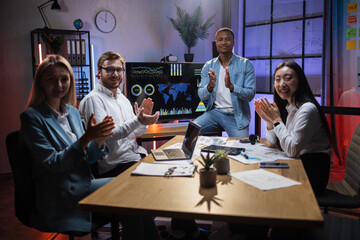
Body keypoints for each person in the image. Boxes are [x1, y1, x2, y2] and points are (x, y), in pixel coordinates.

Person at [20, 55, 159, 239]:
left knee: (133, 190)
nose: (59, 85)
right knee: (129, 190)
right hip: (60, 191)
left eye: (64, 79)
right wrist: (87, 139)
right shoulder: (32, 117)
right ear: (40, 83)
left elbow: (88, 158)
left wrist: (99, 140)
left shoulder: (72, 112)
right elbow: (54, 164)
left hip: (85, 182)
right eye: (51, 79)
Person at [254, 60, 333, 196]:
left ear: (300, 81)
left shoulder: (307, 109)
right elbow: (273, 143)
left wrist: (277, 120)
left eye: (288, 78)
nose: (282, 84)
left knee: (261, 187)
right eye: (277, 80)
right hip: (299, 164)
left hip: (312, 172)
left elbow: (291, 149)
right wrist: (269, 121)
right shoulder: (289, 107)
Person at [79, 51, 159, 178]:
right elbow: (107, 135)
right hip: (115, 167)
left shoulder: (122, 99)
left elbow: (137, 132)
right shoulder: (93, 99)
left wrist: (143, 122)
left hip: (135, 158)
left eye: (119, 70)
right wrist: (137, 121)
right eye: (110, 70)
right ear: (99, 72)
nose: (115, 74)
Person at [194, 27, 255, 137]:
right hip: (214, 113)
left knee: (241, 148)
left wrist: (232, 87)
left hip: (236, 116)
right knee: (191, 131)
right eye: (220, 39)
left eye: (227, 39)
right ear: (216, 42)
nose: (224, 42)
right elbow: (201, 95)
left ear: (233, 42)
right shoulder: (208, 66)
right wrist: (209, 87)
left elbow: (250, 94)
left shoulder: (246, 64)